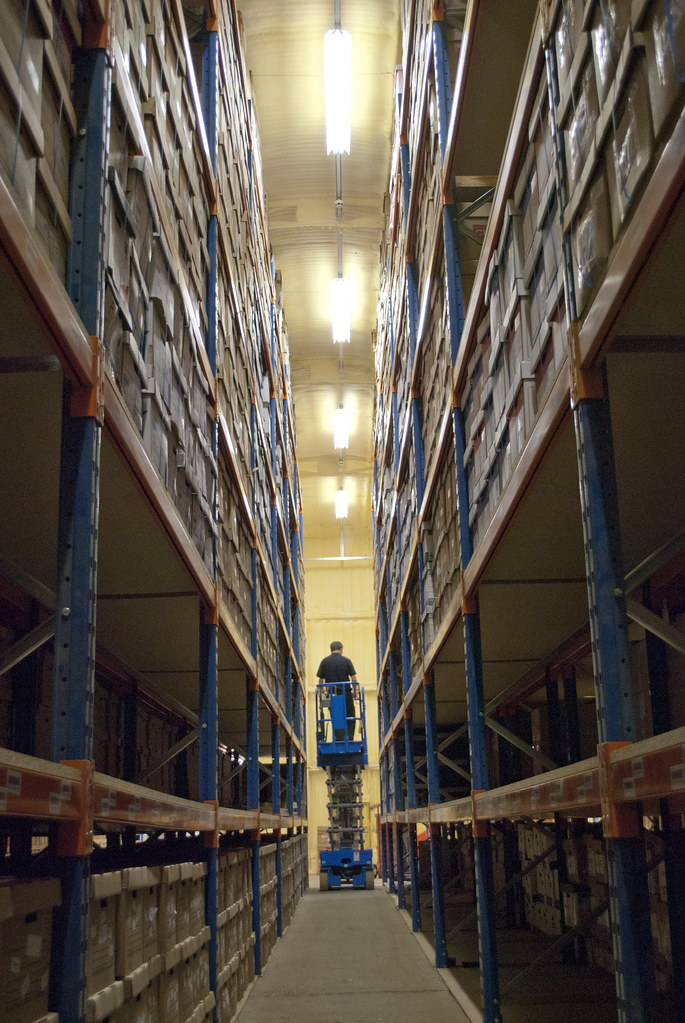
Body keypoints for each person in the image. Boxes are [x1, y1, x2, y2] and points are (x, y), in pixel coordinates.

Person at [317, 641, 358, 740]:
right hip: (346, 693)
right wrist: (355, 692)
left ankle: (339, 738)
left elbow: (320, 681)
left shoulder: (324, 661)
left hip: (333, 694)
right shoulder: (346, 661)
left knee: (336, 717)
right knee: (350, 715)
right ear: (341, 649)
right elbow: (354, 679)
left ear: (331, 649)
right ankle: (349, 737)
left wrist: (323, 694)